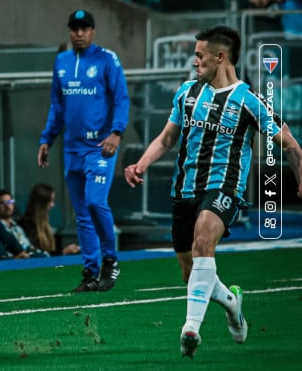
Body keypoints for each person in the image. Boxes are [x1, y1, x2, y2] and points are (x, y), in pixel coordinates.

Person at [123, 25, 302, 359]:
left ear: (220, 57)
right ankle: (232, 303)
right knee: (191, 273)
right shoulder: (188, 93)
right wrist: (140, 165)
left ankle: (191, 328)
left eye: (199, 56)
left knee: (203, 242)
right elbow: (166, 139)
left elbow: (291, 145)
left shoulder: (249, 102)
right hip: (185, 190)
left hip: (224, 189)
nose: (195, 62)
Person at [37, 9, 129, 292]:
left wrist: (116, 132)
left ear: (93, 31)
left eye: (84, 28)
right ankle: (90, 272)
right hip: (72, 149)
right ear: (69, 31)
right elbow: (57, 104)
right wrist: (47, 138)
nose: (79, 33)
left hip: (99, 147)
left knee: (94, 202)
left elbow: (121, 98)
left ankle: (111, 260)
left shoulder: (107, 59)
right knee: (82, 214)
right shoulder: (62, 62)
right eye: (74, 28)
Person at [18, 183, 80, 256]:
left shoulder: (43, 225)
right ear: (41, 204)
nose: (52, 205)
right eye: (50, 201)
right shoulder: (26, 225)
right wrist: (64, 251)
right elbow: (38, 254)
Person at [0, 188, 41, 257]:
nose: (7, 206)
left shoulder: (17, 227)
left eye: (9, 202)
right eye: (2, 203)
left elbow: (28, 246)